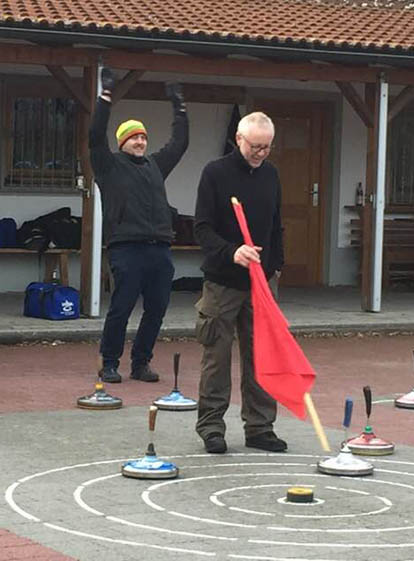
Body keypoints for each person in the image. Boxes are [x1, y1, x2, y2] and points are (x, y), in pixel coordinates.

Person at [88, 67, 189, 383]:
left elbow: (180, 143)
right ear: (122, 142)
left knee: (156, 310)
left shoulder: (155, 165)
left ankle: (141, 363)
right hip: (126, 248)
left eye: (144, 137)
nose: (141, 141)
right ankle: (109, 362)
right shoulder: (108, 166)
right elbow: (95, 136)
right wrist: (105, 97)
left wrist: (179, 107)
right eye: (134, 137)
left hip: (160, 248)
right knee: (121, 308)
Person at [193, 111, 285, 454]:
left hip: (263, 282)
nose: (261, 153)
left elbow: (276, 225)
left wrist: (276, 267)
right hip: (222, 282)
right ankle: (212, 427)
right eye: (255, 146)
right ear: (239, 139)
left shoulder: (271, 174)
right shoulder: (214, 173)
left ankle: (260, 427)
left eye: (267, 147)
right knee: (216, 356)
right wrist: (232, 251)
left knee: (262, 355)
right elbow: (202, 228)